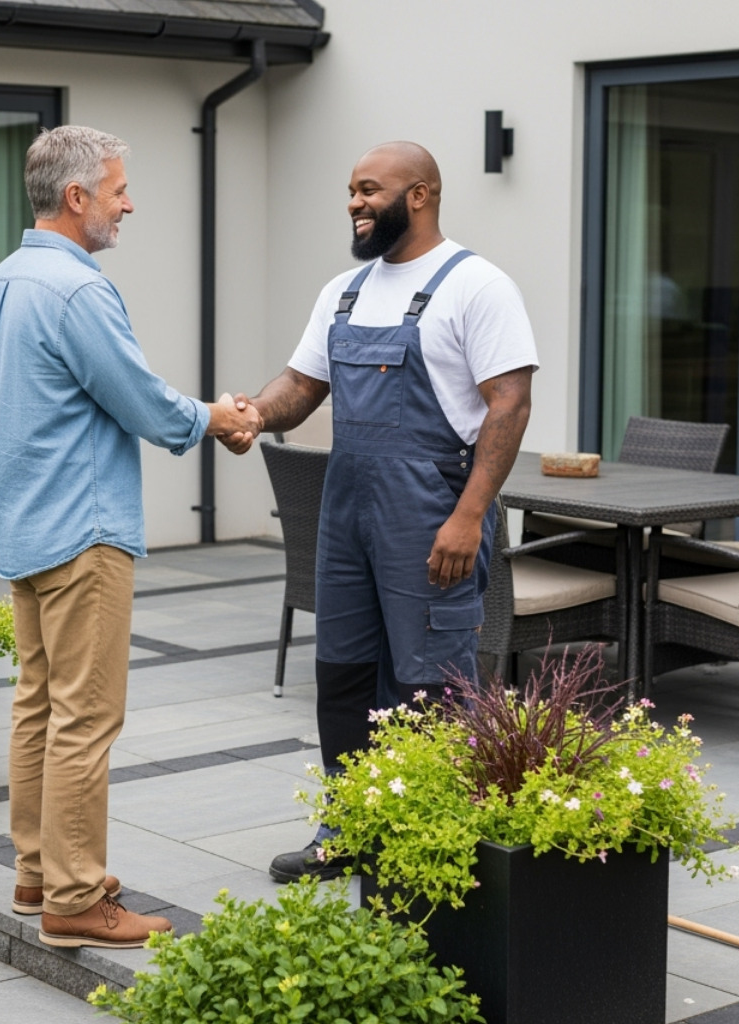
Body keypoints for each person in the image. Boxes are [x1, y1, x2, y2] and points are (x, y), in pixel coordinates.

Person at [0, 125, 263, 948]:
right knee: (85, 719)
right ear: (77, 197)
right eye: (119, 189)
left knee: (38, 707)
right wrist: (219, 416)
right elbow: (139, 399)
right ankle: (72, 899)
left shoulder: (0, 283)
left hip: (24, 529)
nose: (128, 202)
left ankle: (37, 872)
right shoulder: (75, 290)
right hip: (81, 533)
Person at [221, 141, 537, 883]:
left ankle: (427, 838)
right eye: (352, 192)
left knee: (430, 681)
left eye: (370, 190)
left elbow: (511, 404)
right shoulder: (346, 290)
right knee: (345, 675)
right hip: (349, 513)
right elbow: (302, 384)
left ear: (420, 195)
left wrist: (469, 517)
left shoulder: (477, 286)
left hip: (430, 512)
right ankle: (350, 825)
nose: (356, 203)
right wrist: (253, 416)